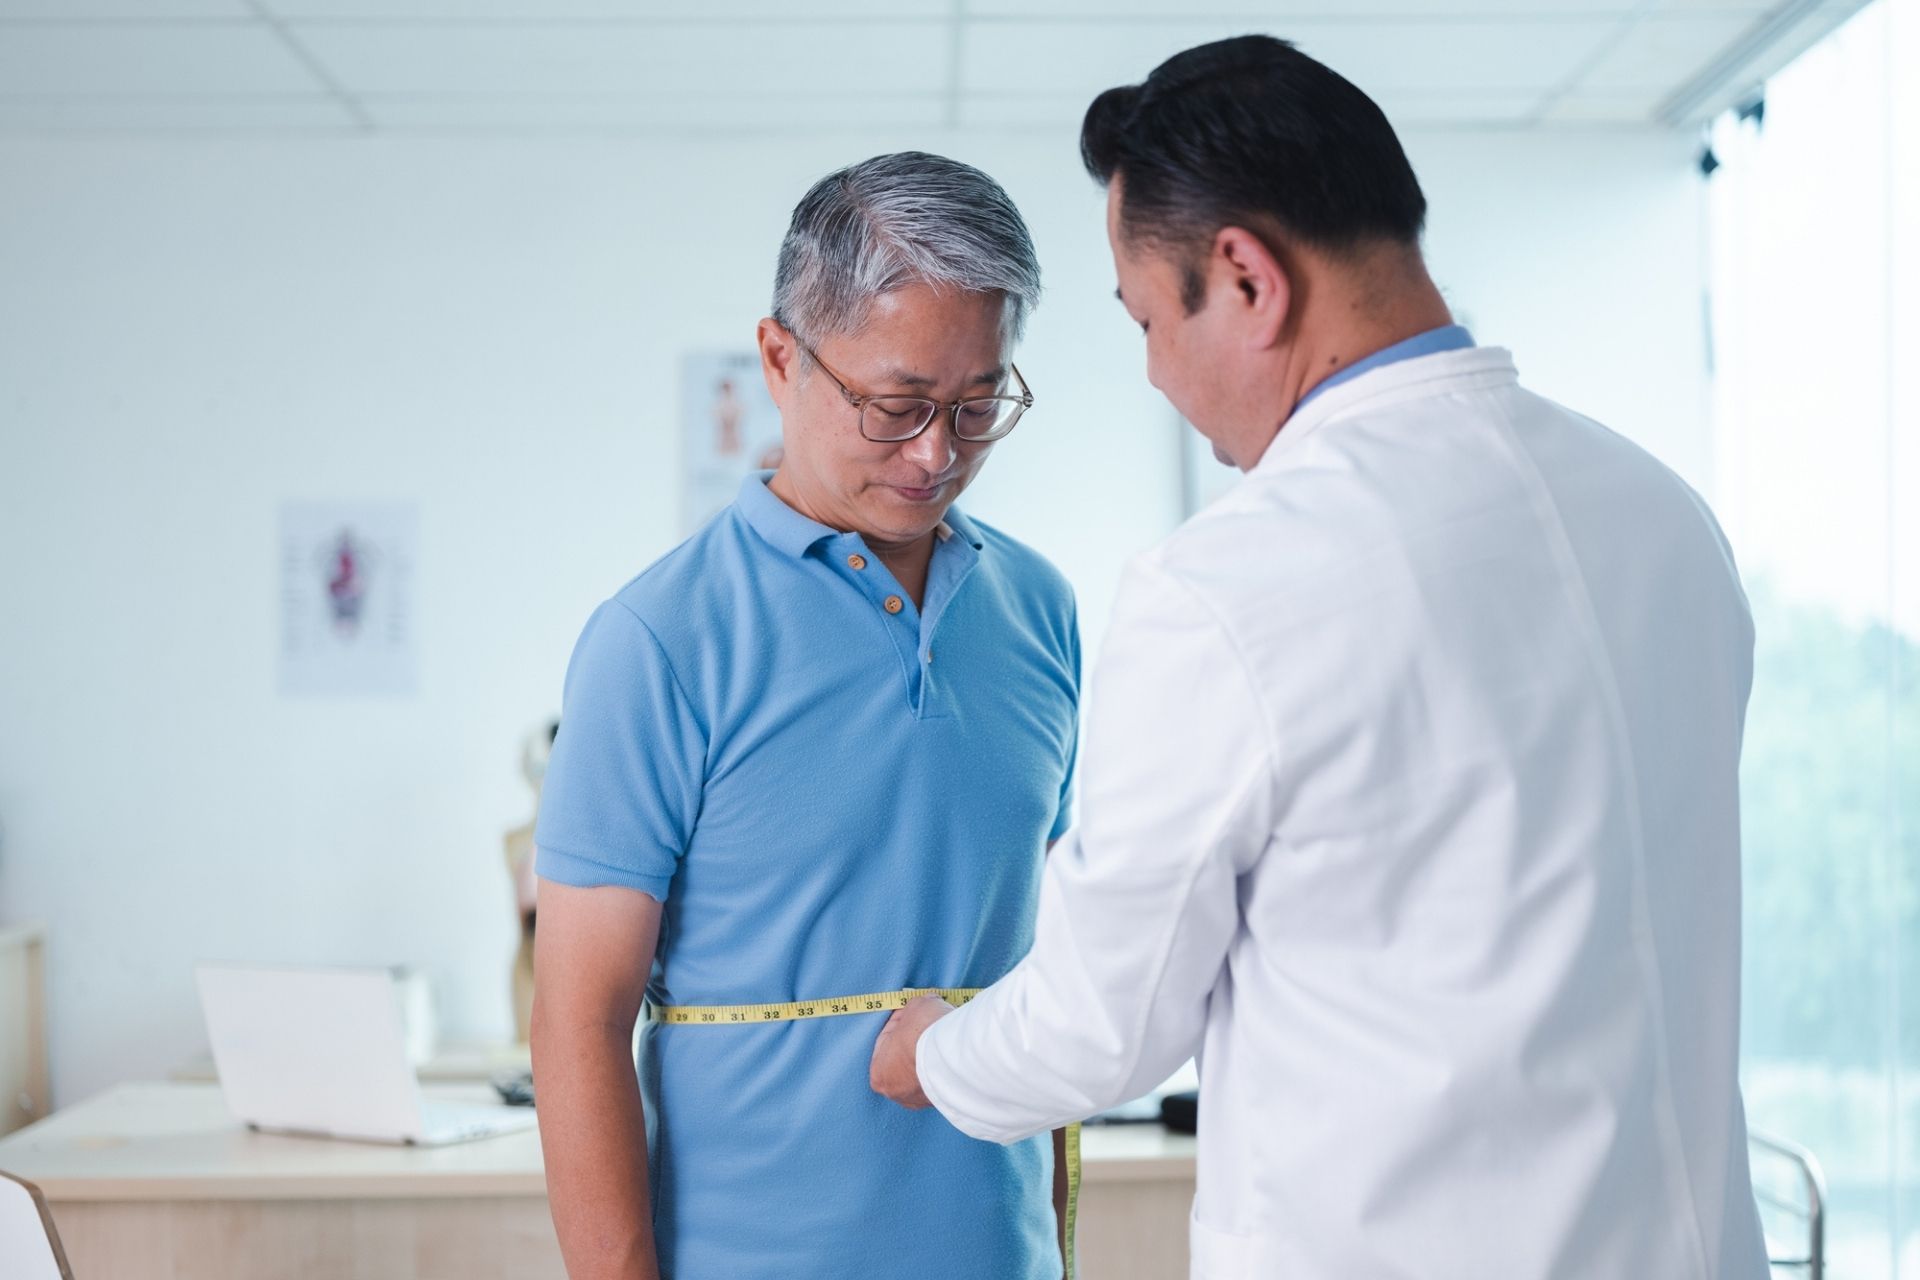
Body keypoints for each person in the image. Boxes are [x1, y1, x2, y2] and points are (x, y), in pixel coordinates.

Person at [871, 36, 1770, 1280]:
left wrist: (928, 1051)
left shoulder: (1235, 585)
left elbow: (1095, 1028)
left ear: (1245, 277)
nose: (1154, 370)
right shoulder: (1667, 519)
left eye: (1146, 319)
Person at [532, 151, 1079, 1279]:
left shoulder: (1042, 612)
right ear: (781, 359)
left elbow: (1062, 946)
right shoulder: (658, 641)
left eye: (979, 405)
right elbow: (579, 1022)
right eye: (897, 406)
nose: (937, 455)